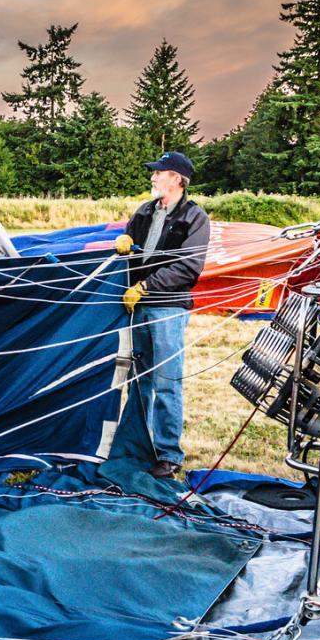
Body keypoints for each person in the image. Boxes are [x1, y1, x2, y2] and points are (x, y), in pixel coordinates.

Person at [117, 152, 211, 478]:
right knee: (138, 381)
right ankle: (139, 446)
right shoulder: (144, 211)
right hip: (137, 307)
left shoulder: (194, 218)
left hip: (167, 308)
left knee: (167, 382)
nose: (153, 177)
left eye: (159, 173)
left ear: (176, 179)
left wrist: (145, 285)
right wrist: (125, 242)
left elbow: (189, 267)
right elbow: (129, 248)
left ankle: (169, 453)